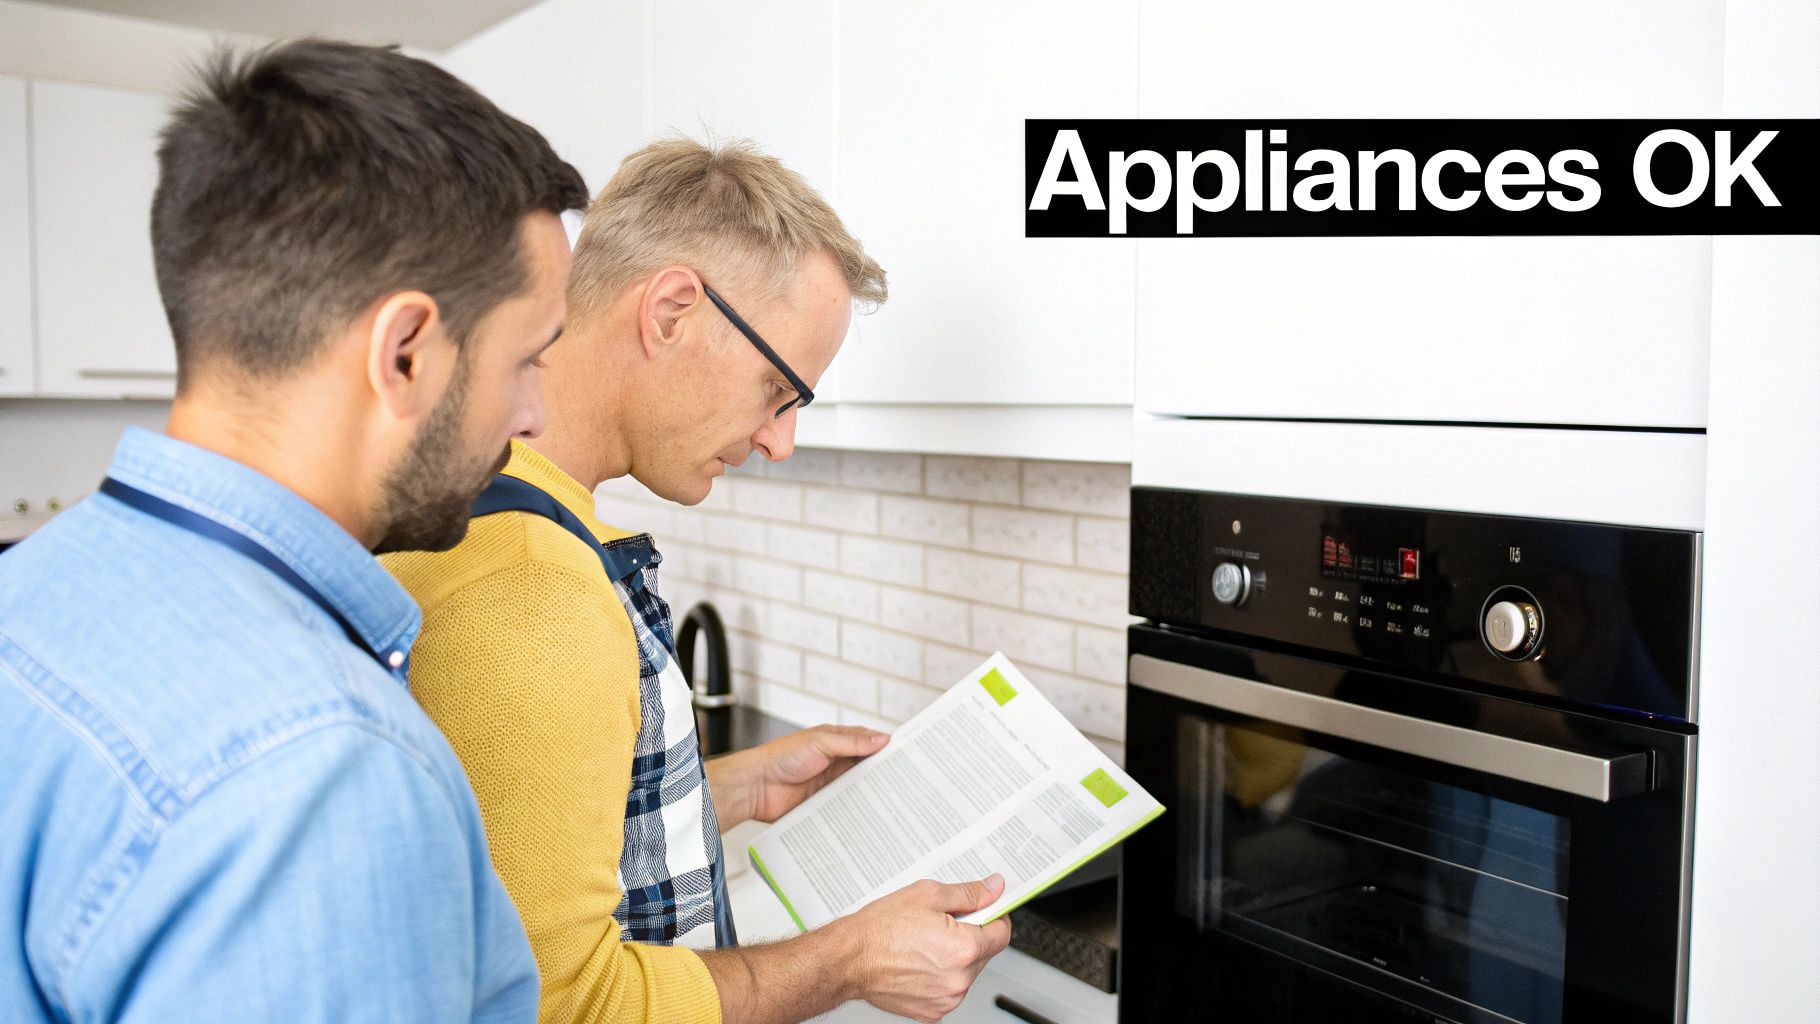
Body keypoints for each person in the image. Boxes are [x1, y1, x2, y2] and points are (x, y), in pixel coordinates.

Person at [0, 40, 588, 1022]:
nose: (531, 416)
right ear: (403, 352)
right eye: (528, 359)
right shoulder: (322, 773)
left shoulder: (36, 586)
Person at [383, 138, 1010, 1024]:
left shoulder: (503, 508)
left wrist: (730, 788)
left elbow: (523, 845)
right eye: (778, 389)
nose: (778, 440)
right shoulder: (530, 592)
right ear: (672, 311)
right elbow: (558, 1008)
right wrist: (849, 959)